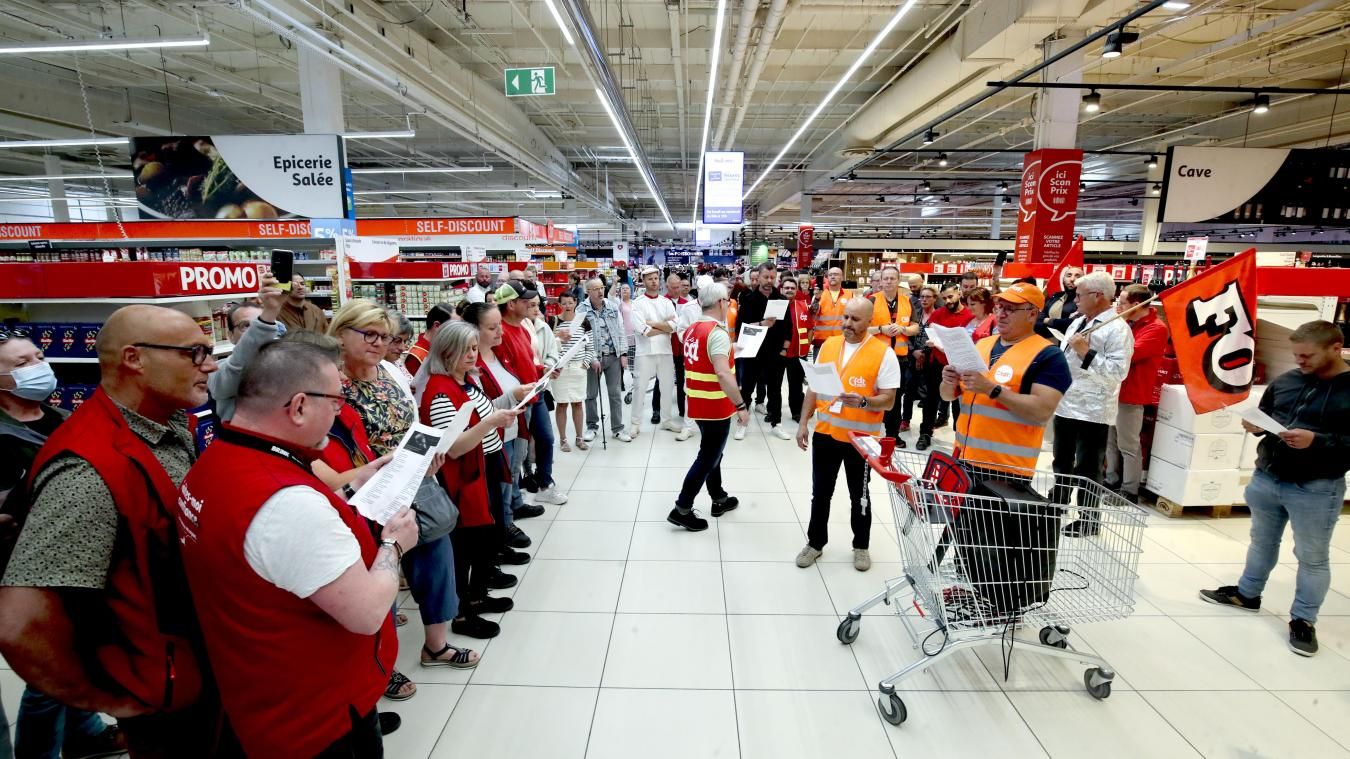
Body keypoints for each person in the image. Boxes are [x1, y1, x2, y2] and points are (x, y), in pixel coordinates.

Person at [0, 306, 234, 756]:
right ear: (134, 358)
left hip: (200, 671)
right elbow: (21, 623)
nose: (211, 365)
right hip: (165, 689)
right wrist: (108, 700)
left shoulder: (166, 427)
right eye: (195, 353)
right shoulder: (87, 470)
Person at [174, 340, 413, 757]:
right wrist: (394, 545)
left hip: (258, 691)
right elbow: (366, 612)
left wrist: (358, 480)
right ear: (299, 406)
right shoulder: (285, 502)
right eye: (337, 401)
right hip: (318, 716)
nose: (340, 412)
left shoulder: (216, 461)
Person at [0, 329, 128, 759]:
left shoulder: (58, 417)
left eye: (37, 356)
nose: (38, 366)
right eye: (21, 364)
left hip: (72, 556)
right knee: (48, 669)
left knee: (78, 649)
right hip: (20, 566)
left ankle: (85, 731)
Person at [1200, 320, 1349, 657]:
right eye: (1296, 355)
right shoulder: (1287, 380)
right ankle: (1247, 594)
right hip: (1268, 476)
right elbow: (1266, 413)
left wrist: (1317, 441)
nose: (1300, 362)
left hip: (1316, 486)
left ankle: (1304, 620)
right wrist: (1254, 425)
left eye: (1307, 356)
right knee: (1261, 541)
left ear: (1335, 348)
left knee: (1312, 556)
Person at [423, 322, 533, 640]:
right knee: (467, 548)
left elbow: (481, 415)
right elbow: (455, 446)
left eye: (474, 348)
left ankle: (477, 596)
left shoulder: (466, 382)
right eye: (466, 349)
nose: (473, 355)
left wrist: (510, 399)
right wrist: (490, 424)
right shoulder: (441, 391)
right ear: (446, 352)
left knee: (485, 540)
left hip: (483, 469)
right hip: (465, 480)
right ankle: (463, 613)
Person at [794, 298, 900, 572]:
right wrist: (803, 422)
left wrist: (864, 401)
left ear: (869, 322)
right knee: (821, 494)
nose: (847, 324)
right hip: (827, 435)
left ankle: (861, 546)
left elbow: (888, 400)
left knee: (860, 496)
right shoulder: (828, 345)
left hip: (861, 440)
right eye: (845, 317)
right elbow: (814, 389)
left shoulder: (883, 353)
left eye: (854, 319)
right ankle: (815, 543)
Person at [941, 282, 1071, 477]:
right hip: (963, 460)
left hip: (1005, 471)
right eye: (999, 307)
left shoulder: (1049, 356)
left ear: (1032, 314)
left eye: (1010, 309)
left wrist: (992, 390)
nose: (1001, 314)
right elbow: (947, 396)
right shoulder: (982, 345)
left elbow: (1041, 411)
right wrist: (948, 381)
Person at [1051, 272, 1133, 537]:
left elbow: (1119, 371)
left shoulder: (1117, 328)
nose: (1075, 299)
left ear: (1097, 296)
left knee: (1088, 466)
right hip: (1067, 402)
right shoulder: (1079, 322)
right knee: (1061, 459)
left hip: (1093, 409)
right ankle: (1058, 501)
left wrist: (1087, 353)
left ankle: (1089, 519)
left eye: (1079, 295)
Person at [669, 284, 748, 531]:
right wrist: (741, 405)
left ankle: (719, 498)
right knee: (707, 457)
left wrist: (732, 349)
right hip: (716, 406)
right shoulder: (717, 333)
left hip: (698, 403)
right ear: (721, 303)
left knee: (713, 453)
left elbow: (704, 359)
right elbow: (724, 375)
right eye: (729, 302)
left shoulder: (693, 329)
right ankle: (682, 508)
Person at [461, 302, 536, 555]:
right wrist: (513, 394)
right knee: (497, 492)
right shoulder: (472, 365)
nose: (500, 332)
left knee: (507, 485)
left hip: (511, 432)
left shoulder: (498, 354)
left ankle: (504, 532)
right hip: (493, 438)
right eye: (492, 327)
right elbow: (479, 410)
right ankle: (498, 543)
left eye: (499, 326)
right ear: (473, 329)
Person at [494, 283, 567, 507]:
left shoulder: (523, 329)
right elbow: (504, 370)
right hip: (518, 400)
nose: (531, 306)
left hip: (536, 393)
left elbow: (528, 364)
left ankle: (544, 484)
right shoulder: (502, 333)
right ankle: (512, 502)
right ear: (511, 304)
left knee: (545, 439)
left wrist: (543, 371)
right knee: (517, 452)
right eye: (525, 301)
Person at [1104, 284, 1168, 501]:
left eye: (1122, 302)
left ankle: (1129, 489)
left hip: (1132, 393)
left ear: (1136, 304)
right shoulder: (1126, 323)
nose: (1117, 306)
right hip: (1114, 390)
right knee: (1110, 440)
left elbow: (1130, 354)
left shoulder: (1156, 328)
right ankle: (1111, 479)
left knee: (1128, 444)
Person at [209, 275, 284, 422]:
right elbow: (238, 365)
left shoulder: (282, 364)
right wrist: (267, 317)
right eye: (246, 326)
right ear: (230, 335)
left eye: (257, 325)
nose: (253, 333)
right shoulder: (217, 371)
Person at [736, 262, 791, 440]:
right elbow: (741, 328)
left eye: (772, 277)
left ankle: (777, 423)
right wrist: (762, 324)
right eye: (766, 277)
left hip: (775, 352)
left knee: (775, 390)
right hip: (753, 352)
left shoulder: (782, 300)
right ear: (758, 277)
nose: (769, 280)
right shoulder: (748, 299)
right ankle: (742, 422)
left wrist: (784, 349)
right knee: (747, 389)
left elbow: (788, 326)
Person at [917, 285, 975, 448]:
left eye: (951, 297)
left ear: (959, 293)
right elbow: (931, 331)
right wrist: (930, 343)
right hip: (938, 364)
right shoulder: (938, 314)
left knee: (959, 403)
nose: (948, 301)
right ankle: (925, 433)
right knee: (930, 400)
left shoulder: (969, 316)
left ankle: (960, 439)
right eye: (945, 298)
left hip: (961, 364)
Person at [867, 266, 919, 444]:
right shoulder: (871, 301)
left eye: (892, 278)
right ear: (880, 281)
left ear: (898, 281)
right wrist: (881, 329)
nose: (889, 281)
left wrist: (903, 329)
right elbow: (862, 329)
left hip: (899, 359)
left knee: (894, 399)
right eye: (885, 278)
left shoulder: (907, 301)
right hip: (875, 357)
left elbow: (916, 327)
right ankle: (868, 431)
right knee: (872, 395)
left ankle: (892, 434)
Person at [630, 266, 680, 437]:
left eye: (656, 278)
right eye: (650, 279)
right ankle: (635, 423)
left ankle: (666, 421)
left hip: (665, 351)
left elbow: (675, 326)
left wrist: (652, 323)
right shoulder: (637, 303)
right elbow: (644, 330)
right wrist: (663, 326)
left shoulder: (666, 303)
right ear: (643, 281)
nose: (654, 281)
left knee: (667, 387)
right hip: (644, 352)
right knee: (639, 388)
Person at [580, 279, 630, 443]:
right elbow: (582, 338)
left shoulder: (612, 306)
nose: (600, 291)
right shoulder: (582, 309)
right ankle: (592, 426)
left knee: (615, 393)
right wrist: (592, 358)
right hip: (593, 358)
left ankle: (617, 428)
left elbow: (621, 330)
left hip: (613, 356)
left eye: (601, 288)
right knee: (591, 394)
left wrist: (623, 353)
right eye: (595, 289)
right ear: (588, 291)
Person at [552, 293, 595, 452]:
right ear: (559, 304)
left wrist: (585, 364)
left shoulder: (584, 321)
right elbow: (549, 344)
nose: (567, 306)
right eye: (564, 303)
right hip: (561, 369)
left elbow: (590, 345)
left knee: (578, 403)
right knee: (561, 404)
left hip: (578, 368)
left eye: (570, 302)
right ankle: (563, 439)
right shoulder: (554, 321)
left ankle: (579, 438)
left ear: (576, 303)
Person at [651, 272, 693, 430]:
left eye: (679, 287)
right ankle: (656, 410)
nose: (677, 290)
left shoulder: (687, 303)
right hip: (665, 345)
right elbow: (655, 324)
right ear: (667, 286)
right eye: (673, 287)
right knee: (661, 379)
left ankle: (683, 409)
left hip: (682, 347)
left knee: (683, 379)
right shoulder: (661, 302)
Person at [778, 277, 812, 424]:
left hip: (798, 353)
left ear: (796, 290)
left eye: (792, 288)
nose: (789, 290)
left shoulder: (803, 306)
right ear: (781, 289)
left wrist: (807, 345)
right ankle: (773, 412)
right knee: (775, 385)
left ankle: (797, 412)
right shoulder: (775, 306)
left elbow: (810, 328)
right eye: (787, 288)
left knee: (796, 385)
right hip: (779, 353)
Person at [403, 302, 455, 378]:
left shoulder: (442, 349)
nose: (457, 334)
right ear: (437, 326)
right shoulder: (416, 357)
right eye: (453, 329)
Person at [811, 267, 852, 355]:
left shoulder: (849, 294)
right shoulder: (819, 294)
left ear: (842, 277)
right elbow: (813, 314)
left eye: (836, 274)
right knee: (819, 368)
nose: (833, 277)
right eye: (830, 275)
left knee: (839, 368)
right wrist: (817, 299)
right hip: (821, 342)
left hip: (842, 340)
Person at [1040, 265, 1083, 335]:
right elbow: (1039, 320)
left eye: (1077, 276)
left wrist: (1049, 320)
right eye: (1069, 276)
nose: (1072, 279)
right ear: (1063, 279)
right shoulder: (1055, 297)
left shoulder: (1086, 300)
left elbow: (1075, 323)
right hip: (1049, 340)